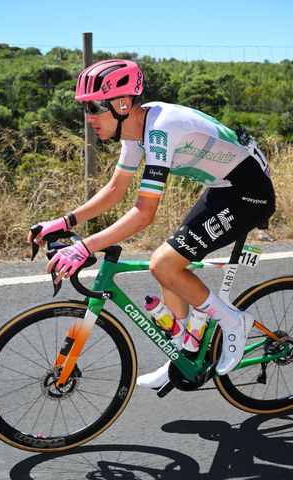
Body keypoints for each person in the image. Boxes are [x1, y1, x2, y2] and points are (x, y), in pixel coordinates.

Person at [28, 59, 276, 388]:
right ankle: (184, 353)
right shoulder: (135, 130)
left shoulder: (160, 130)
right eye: (86, 109)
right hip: (222, 189)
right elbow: (116, 189)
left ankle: (234, 322)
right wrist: (63, 221)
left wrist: (84, 246)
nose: (89, 118)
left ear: (121, 104)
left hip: (249, 194)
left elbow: (144, 212)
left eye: (93, 108)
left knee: (164, 263)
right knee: (167, 269)